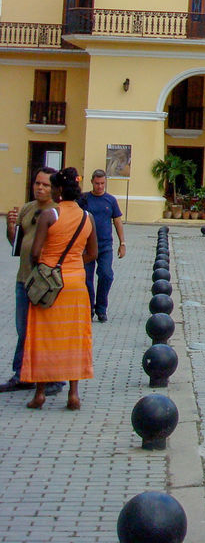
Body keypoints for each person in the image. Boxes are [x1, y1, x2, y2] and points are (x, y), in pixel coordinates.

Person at [22, 167, 97, 410]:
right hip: (76, 284)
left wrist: (47, 266)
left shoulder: (50, 214)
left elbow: (35, 252)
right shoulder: (88, 217)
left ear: (60, 190)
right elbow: (93, 253)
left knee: (43, 337)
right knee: (74, 337)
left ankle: (40, 393)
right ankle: (73, 394)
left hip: (51, 286)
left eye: (53, 187)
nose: (51, 191)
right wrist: (73, 263)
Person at [2, 167, 63, 394]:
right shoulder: (27, 209)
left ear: (54, 188)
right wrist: (10, 228)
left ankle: (52, 377)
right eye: (37, 183)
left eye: (45, 185)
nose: (40, 187)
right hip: (24, 279)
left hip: (46, 284)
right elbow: (17, 246)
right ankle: (21, 374)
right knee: (23, 329)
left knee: (47, 332)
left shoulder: (57, 212)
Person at [80, 169, 125, 321]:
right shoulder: (84, 199)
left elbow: (117, 221)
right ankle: (88, 307)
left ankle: (101, 308)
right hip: (86, 245)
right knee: (87, 278)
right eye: (97, 183)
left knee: (106, 275)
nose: (100, 186)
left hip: (105, 245)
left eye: (102, 184)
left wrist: (122, 243)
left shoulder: (110, 200)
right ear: (92, 182)